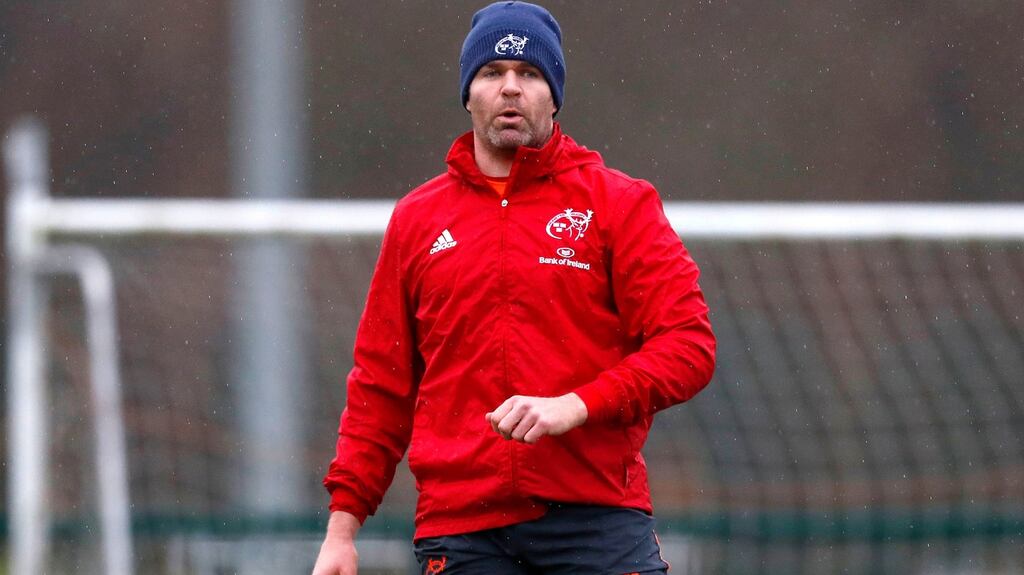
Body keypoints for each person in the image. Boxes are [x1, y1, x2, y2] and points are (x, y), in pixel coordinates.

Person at [312, 2, 716, 574]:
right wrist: (341, 528)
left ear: (554, 95)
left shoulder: (618, 204)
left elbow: (689, 346)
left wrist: (578, 405)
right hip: (464, 531)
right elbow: (381, 385)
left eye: (528, 74)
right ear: (467, 93)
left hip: (597, 518)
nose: (509, 88)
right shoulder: (417, 220)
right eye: (491, 74)